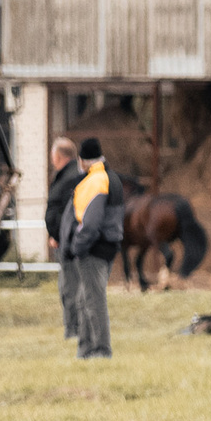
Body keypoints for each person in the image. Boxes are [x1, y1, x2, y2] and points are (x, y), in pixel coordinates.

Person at [64, 137, 125, 360]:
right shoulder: (111, 177)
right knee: (84, 299)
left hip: (93, 250)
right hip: (106, 246)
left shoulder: (95, 181)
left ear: (82, 160)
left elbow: (90, 223)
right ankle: (86, 349)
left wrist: (77, 247)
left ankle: (100, 350)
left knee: (93, 300)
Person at [44, 135, 83, 341]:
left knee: (71, 287)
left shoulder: (71, 178)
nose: (52, 159)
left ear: (59, 156)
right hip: (62, 240)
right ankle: (72, 327)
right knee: (66, 286)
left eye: (53, 155)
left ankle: (73, 330)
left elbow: (68, 214)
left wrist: (60, 235)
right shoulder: (65, 175)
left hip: (68, 243)